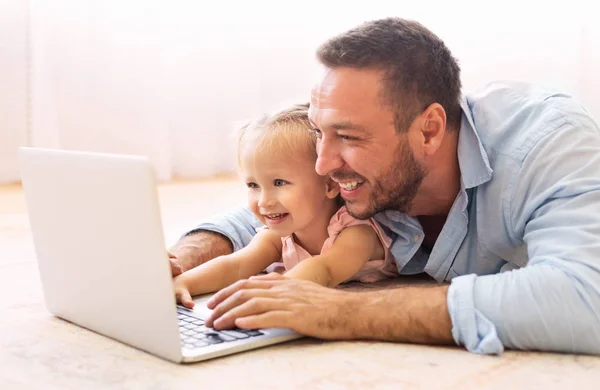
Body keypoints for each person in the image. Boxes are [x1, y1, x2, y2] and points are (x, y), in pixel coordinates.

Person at [168, 17, 600, 355]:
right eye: (320, 132)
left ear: (429, 131)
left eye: (350, 137)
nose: (323, 163)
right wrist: (177, 264)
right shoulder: (366, 171)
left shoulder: (545, 140)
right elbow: (274, 214)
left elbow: (586, 299)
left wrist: (342, 313)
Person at [172, 103, 397, 309]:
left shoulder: (357, 231)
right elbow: (236, 266)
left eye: (279, 183)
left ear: (329, 184)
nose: (264, 201)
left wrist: (271, 291)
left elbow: (326, 269)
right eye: (253, 185)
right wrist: (184, 282)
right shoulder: (277, 235)